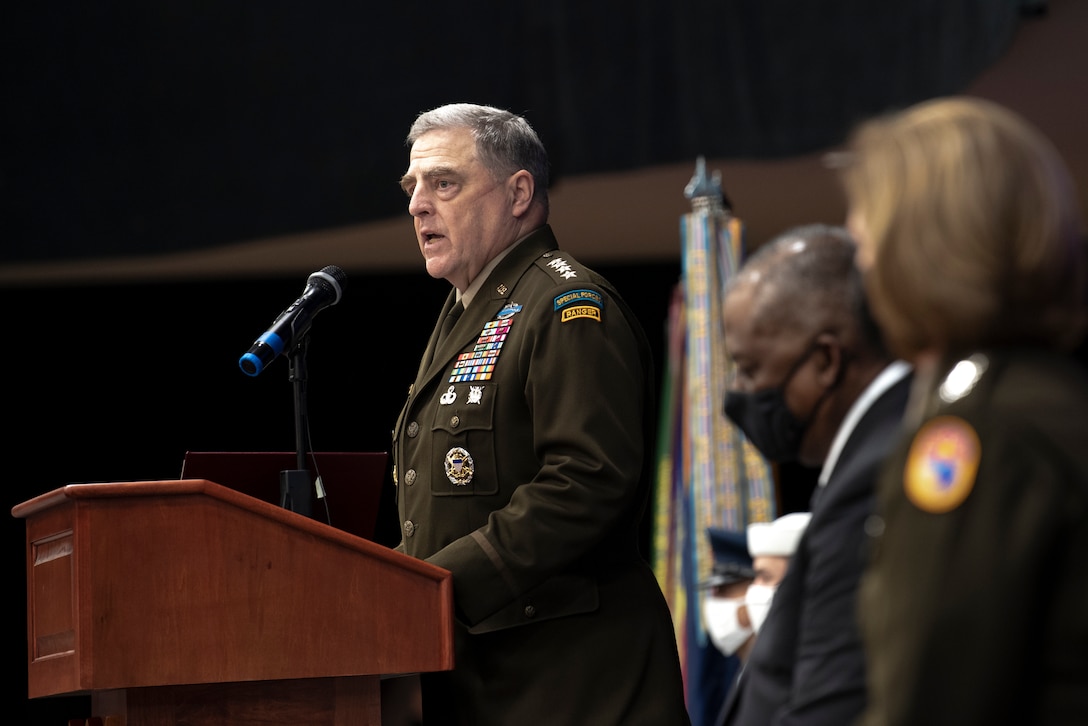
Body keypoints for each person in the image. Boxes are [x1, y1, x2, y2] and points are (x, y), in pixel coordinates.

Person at [390, 102, 690, 726]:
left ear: (519, 192)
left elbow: (587, 481)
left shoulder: (566, 305)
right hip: (486, 674)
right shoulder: (470, 312)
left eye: (443, 183)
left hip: (573, 684)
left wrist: (431, 586)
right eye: (412, 187)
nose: (419, 204)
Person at [839, 96, 1088, 724]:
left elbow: (931, 698)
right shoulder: (1057, 394)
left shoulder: (972, 431)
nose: (863, 263)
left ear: (920, 248)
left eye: (867, 238)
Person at [717, 224, 913, 725]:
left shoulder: (880, 470)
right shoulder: (867, 453)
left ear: (825, 360)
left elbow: (835, 698)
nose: (738, 392)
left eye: (751, 368)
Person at [711, 512, 811, 724]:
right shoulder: (760, 668)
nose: (754, 591)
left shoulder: (812, 677)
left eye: (766, 577)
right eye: (755, 576)